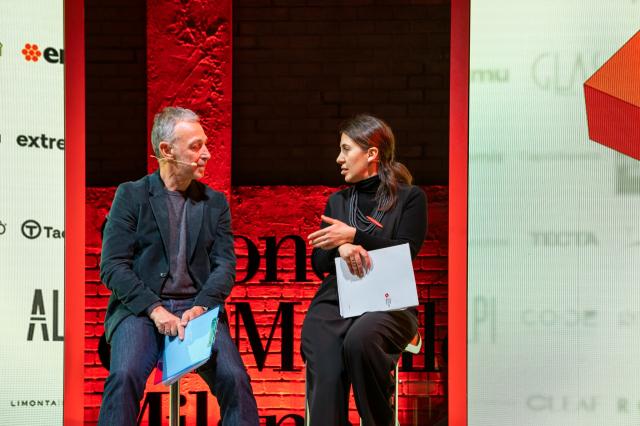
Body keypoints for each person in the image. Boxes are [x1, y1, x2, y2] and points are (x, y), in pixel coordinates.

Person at [97, 107, 259, 426]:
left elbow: (225, 266)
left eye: (205, 145)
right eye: (196, 146)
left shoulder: (215, 203)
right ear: (167, 150)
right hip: (141, 310)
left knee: (235, 379)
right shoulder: (131, 195)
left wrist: (201, 307)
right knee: (124, 376)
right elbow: (113, 266)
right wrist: (155, 310)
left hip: (197, 309)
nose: (207, 154)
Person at [301, 114, 427, 425]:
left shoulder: (410, 198)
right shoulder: (338, 202)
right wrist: (340, 248)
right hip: (337, 301)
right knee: (322, 351)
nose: (339, 158)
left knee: (360, 341)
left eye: (346, 149)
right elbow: (318, 263)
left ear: (371, 153)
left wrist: (354, 236)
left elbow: (406, 252)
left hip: (389, 304)